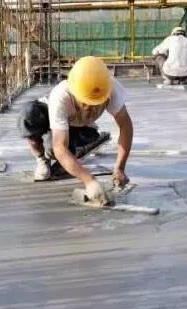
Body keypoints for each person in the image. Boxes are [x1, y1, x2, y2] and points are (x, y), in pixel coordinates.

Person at [18, 56, 134, 204]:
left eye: (95, 104)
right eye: (85, 102)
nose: (89, 107)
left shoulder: (109, 88)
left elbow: (126, 126)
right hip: (51, 116)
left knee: (67, 146)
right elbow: (59, 146)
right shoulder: (61, 96)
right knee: (32, 120)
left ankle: (68, 161)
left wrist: (120, 168)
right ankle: (42, 159)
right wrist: (89, 181)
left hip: (81, 126)